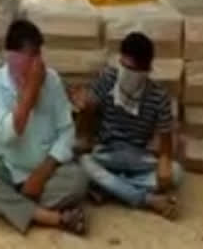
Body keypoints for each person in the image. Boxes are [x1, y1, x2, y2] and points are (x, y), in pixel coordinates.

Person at [0, 19, 89, 236]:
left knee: (78, 180)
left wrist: (41, 174)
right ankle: (53, 217)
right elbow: (6, 137)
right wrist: (30, 93)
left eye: (39, 54)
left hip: (46, 169)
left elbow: (66, 131)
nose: (38, 62)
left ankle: (5, 205)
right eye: (31, 55)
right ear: (12, 57)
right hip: (8, 165)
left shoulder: (52, 80)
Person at [71, 33, 182, 220]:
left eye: (132, 69)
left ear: (146, 69)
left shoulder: (159, 96)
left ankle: (108, 189)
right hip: (106, 152)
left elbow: (165, 139)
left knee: (176, 173)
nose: (125, 73)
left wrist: (164, 163)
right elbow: (89, 108)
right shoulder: (108, 79)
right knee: (81, 164)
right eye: (123, 65)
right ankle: (145, 199)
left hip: (137, 157)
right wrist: (84, 106)